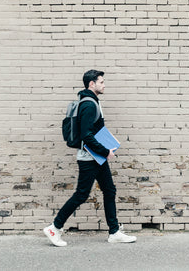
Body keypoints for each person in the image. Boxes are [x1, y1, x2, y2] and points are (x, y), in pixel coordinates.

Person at [44, 69, 136, 246]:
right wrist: (105, 151)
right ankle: (54, 228)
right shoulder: (89, 105)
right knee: (81, 194)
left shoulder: (92, 101)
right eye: (101, 82)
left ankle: (114, 231)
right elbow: (86, 135)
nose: (104, 85)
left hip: (96, 158)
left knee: (109, 190)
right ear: (91, 84)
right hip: (89, 158)